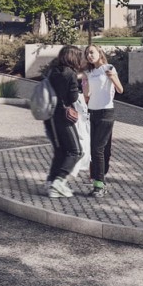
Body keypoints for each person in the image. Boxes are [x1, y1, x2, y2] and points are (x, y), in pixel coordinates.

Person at [42, 45, 86, 199]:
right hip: (64, 117)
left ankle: (50, 182)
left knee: (60, 151)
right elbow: (73, 97)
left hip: (50, 117)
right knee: (76, 151)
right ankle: (58, 183)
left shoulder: (53, 72)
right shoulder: (70, 74)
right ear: (73, 58)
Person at [83, 45, 123, 197]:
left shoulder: (109, 68)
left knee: (97, 150)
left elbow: (120, 90)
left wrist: (112, 77)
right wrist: (85, 83)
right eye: (87, 53)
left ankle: (99, 185)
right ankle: (100, 177)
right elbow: (87, 95)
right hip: (92, 112)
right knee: (101, 150)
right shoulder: (89, 72)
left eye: (92, 52)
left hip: (106, 113)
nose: (89, 55)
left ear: (99, 53)